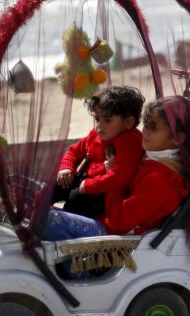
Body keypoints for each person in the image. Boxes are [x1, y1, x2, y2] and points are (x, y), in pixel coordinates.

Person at [43, 95, 190, 277]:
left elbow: (120, 222)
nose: (144, 132)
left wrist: (114, 179)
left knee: (45, 219)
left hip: (118, 238)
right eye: (146, 124)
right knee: (39, 204)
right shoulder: (157, 159)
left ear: (177, 138)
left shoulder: (159, 178)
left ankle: (79, 279)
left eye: (153, 127)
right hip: (112, 223)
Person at [52, 85, 145, 218]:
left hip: (107, 191)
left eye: (107, 120)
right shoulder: (96, 134)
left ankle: (62, 222)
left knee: (76, 199)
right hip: (89, 181)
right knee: (56, 184)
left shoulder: (131, 142)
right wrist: (66, 168)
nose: (99, 126)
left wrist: (89, 185)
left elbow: (120, 178)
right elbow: (74, 151)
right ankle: (34, 212)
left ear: (129, 122)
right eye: (97, 119)